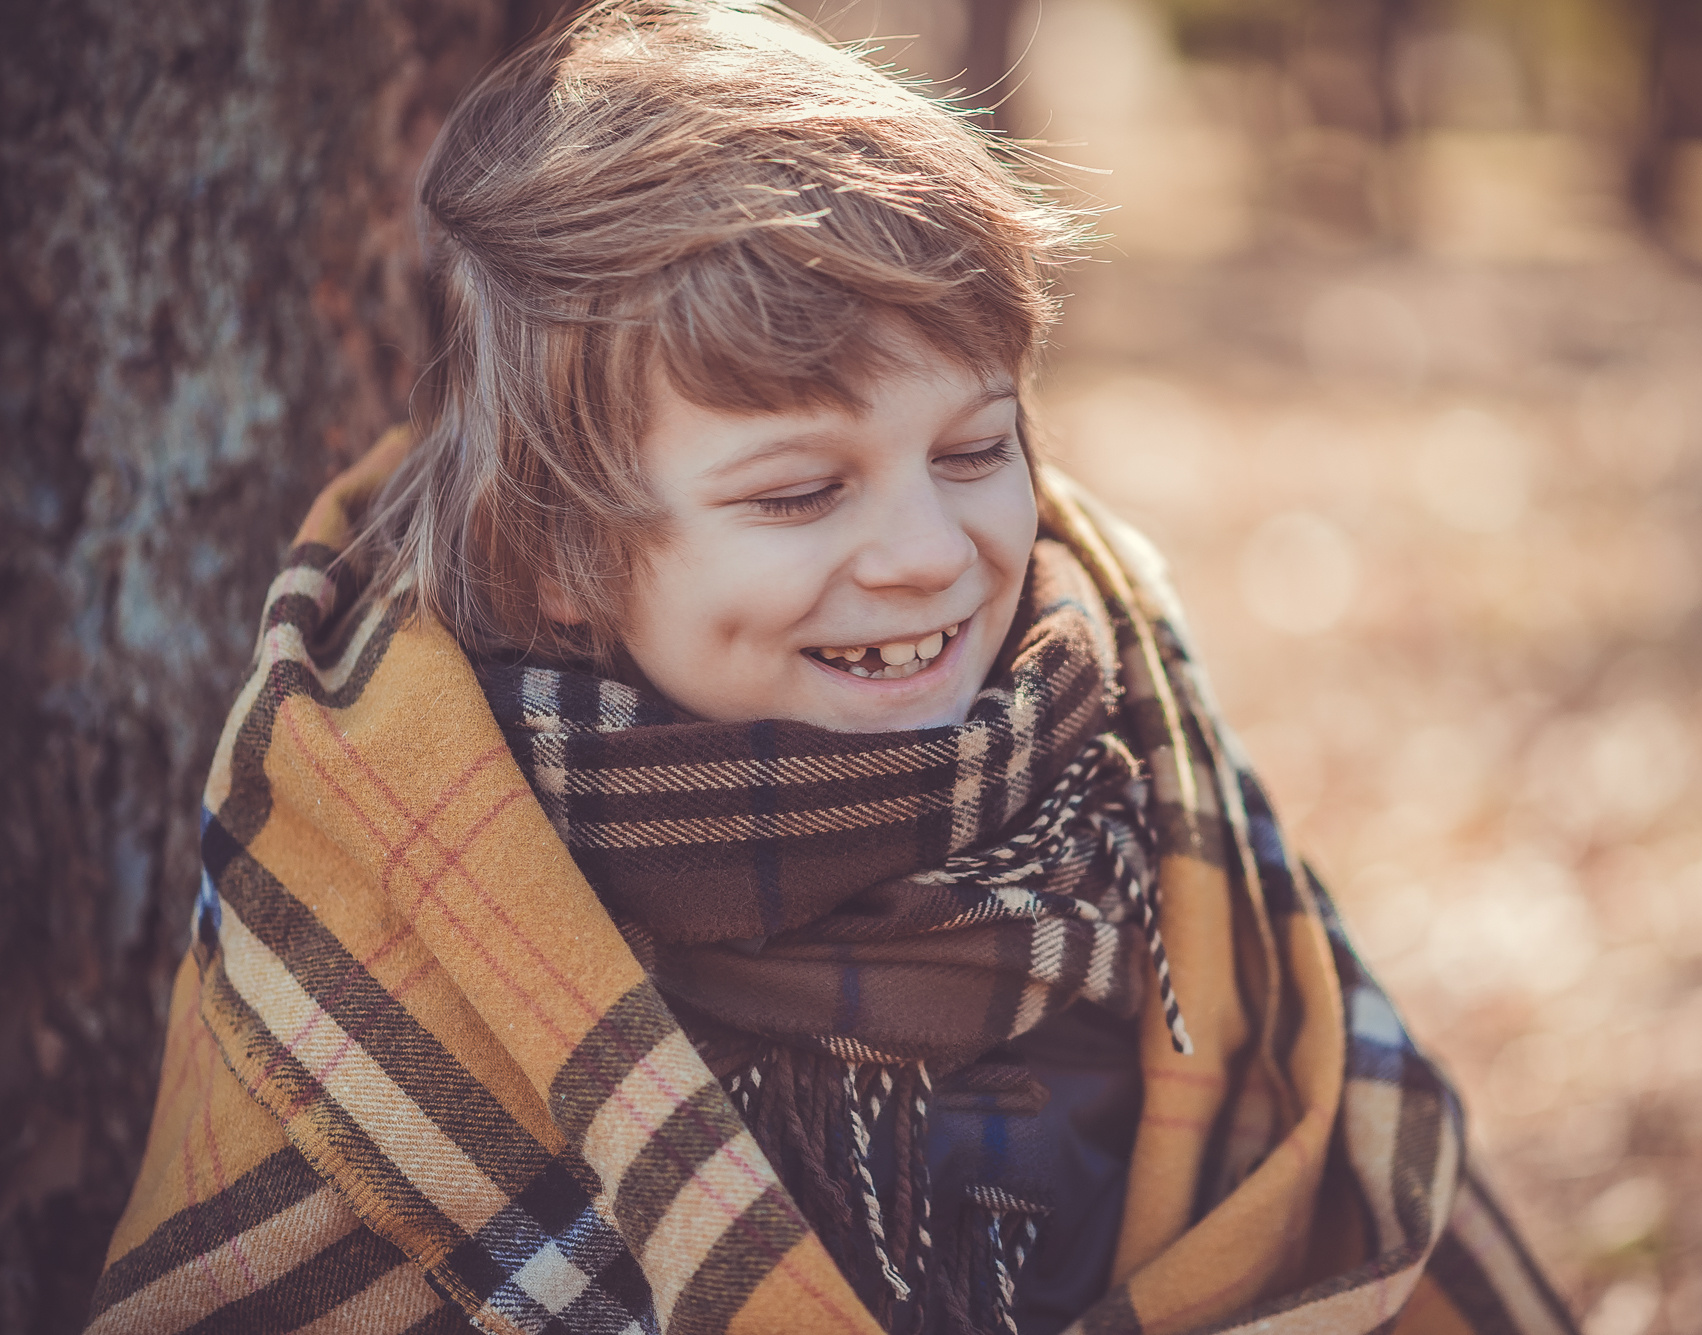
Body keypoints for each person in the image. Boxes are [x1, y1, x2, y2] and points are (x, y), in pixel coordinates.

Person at [87, 4, 1575, 1332]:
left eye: (975, 451)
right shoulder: (388, 896)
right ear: (558, 556)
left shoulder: (1121, 778)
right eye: (802, 493)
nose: (927, 553)